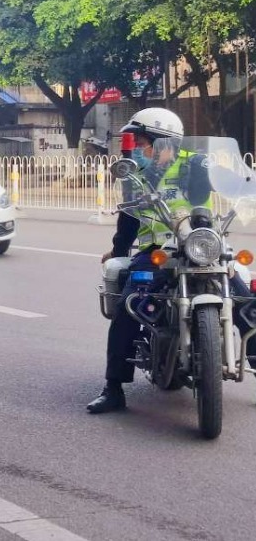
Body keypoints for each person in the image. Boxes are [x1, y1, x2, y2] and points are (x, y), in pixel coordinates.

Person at [88, 108, 211, 413]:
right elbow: (129, 221)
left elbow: (206, 191)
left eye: (142, 141)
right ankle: (113, 388)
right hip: (156, 254)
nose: (139, 148)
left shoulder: (194, 165)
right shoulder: (138, 175)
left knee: (245, 296)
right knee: (129, 307)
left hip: (199, 246)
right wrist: (118, 251)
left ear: (161, 141)